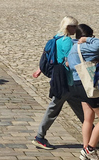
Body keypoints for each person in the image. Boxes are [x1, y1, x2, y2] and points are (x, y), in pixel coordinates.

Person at [32, 16, 83, 149]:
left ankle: (96, 133)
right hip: (65, 80)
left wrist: (40, 70)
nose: (76, 29)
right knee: (53, 108)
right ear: (68, 27)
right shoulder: (66, 41)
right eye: (74, 26)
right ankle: (39, 136)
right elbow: (69, 61)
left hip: (61, 78)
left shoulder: (57, 37)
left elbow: (51, 56)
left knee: (79, 106)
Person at [67, 24, 99, 160]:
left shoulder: (73, 47)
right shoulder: (84, 45)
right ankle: (90, 149)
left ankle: (85, 150)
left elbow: (68, 64)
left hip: (77, 84)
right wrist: (87, 40)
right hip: (88, 85)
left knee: (88, 118)